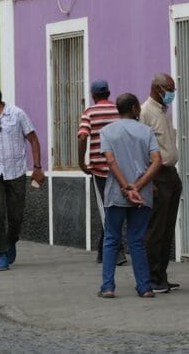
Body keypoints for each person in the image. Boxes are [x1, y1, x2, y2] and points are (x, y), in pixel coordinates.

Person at [0, 84, 45, 271]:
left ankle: (11, 240)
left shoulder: (17, 114)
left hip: (16, 172)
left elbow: (33, 139)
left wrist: (37, 166)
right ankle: (1, 254)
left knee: (16, 215)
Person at [99, 93, 162, 299]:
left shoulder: (107, 131)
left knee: (111, 239)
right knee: (137, 240)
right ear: (135, 108)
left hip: (116, 194)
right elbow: (157, 161)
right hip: (142, 195)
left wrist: (126, 187)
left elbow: (110, 161)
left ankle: (108, 287)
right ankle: (144, 287)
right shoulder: (146, 131)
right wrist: (138, 186)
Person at [141, 72, 183, 293]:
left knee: (167, 229)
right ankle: (151, 277)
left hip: (171, 174)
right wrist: (149, 182)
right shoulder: (145, 112)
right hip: (156, 175)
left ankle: (162, 275)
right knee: (155, 229)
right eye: (169, 90)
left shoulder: (164, 111)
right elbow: (141, 148)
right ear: (157, 89)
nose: (172, 94)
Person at [77, 79, 127, 266]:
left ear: (93, 95)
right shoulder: (118, 111)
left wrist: (81, 162)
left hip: (99, 170)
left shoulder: (89, 113)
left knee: (107, 211)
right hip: (121, 169)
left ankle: (117, 252)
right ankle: (103, 252)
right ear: (108, 93)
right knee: (116, 209)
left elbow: (83, 137)